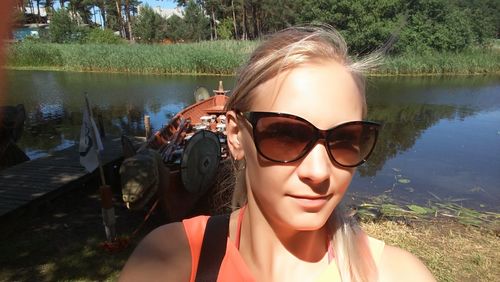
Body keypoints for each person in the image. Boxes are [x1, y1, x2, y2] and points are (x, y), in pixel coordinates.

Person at [120, 26, 435, 282]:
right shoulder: (171, 259)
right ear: (235, 135)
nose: (320, 172)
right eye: (286, 134)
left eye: (345, 139)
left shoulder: (396, 274)